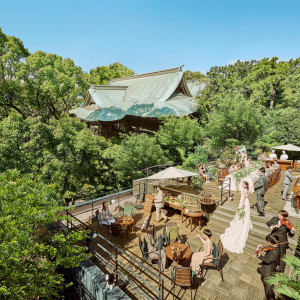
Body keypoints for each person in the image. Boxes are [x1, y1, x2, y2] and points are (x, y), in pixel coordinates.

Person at [220, 181, 253, 253]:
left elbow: (243, 197)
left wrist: (242, 205)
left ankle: (241, 222)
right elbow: (251, 192)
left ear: (245, 185)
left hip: (244, 202)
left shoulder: (244, 190)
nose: (242, 185)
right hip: (246, 202)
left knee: (242, 213)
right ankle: (243, 220)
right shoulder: (247, 189)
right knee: (246, 214)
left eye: (243, 184)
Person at [256, 235, 281, 300]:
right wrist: (262, 247)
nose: (268, 242)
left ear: (273, 242)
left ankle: (270, 297)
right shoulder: (276, 246)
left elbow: (267, 260)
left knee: (268, 288)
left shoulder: (275, 252)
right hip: (268, 269)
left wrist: (259, 256)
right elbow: (269, 249)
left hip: (268, 272)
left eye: (269, 241)